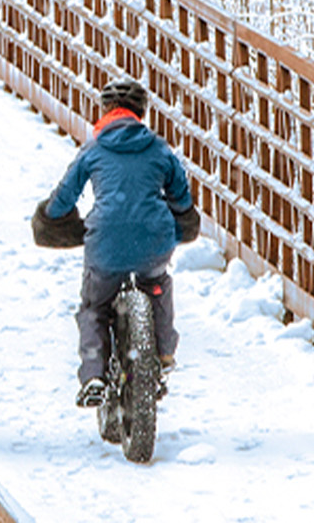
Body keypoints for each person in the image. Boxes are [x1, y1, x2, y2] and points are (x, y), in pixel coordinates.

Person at [31, 77, 201, 406]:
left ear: (106, 111)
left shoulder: (93, 149)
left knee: (95, 308)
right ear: (140, 112)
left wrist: (50, 217)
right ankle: (163, 353)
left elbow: (64, 198)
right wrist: (178, 216)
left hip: (107, 240)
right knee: (158, 283)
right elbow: (181, 198)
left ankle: (94, 374)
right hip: (153, 238)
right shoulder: (158, 148)